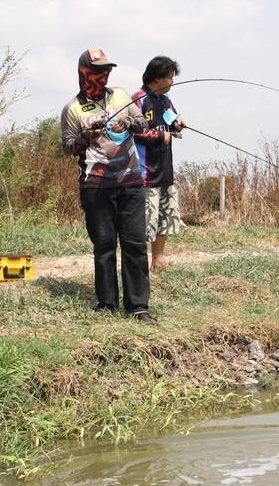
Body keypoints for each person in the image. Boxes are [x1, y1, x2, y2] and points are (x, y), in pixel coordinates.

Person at [60, 47, 157, 324]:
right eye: (98, 70)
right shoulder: (73, 109)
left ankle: (138, 306)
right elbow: (68, 147)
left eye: (107, 70)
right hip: (96, 185)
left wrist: (129, 119)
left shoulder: (122, 96)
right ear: (84, 73)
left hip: (131, 181)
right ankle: (107, 304)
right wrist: (87, 135)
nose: (104, 75)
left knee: (136, 244)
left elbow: (141, 124)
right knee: (103, 246)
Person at [134, 56, 186, 272]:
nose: (172, 82)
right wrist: (158, 135)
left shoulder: (166, 101)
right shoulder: (138, 98)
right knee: (146, 220)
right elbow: (133, 131)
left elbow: (172, 121)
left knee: (165, 216)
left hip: (165, 170)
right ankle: (139, 264)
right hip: (145, 173)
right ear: (157, 78)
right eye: (169, 77)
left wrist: (178, 124)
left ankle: (159, 259)